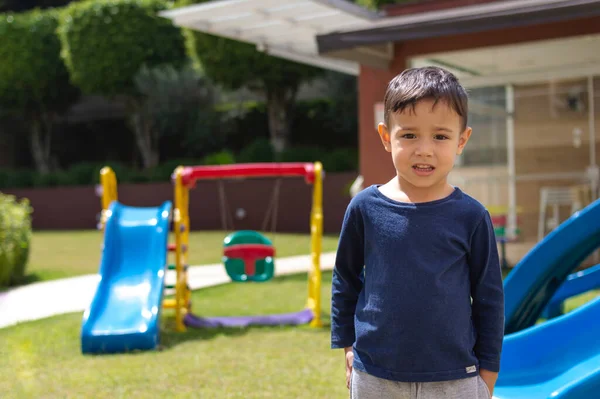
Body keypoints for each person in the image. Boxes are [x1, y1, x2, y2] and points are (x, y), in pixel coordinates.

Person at [331, 66, 505, 399]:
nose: (424, 149)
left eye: (440, 136)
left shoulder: (472, 216)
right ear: (386, 137)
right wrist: (347, 348)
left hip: (457, 378)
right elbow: (345, 280)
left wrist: (487, 375)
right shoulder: (364, 208)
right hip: (374, 374)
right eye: (409, 135)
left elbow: (490, 300)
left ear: (461, 140)